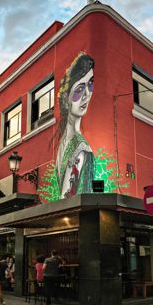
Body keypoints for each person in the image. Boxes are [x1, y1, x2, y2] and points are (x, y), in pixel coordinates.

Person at [55, 52, 95, 198]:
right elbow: (66, 199)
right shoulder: (79, 147)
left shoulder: (68, 143)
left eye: (90, 84)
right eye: (79, 89)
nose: (87, 94)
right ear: (66, 100)